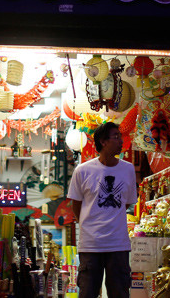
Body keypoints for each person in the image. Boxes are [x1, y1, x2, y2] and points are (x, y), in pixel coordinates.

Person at [67, 122, 137, 298]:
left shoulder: (127, 169)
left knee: (119, 292)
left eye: (120, 136)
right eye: (116, 137)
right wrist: (89, 223)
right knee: (88, 292)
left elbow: (126, 203)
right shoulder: (82, 171)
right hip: (91, 244)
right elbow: (76, 204)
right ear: (103, 142)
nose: (121, 141)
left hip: (118, 243)